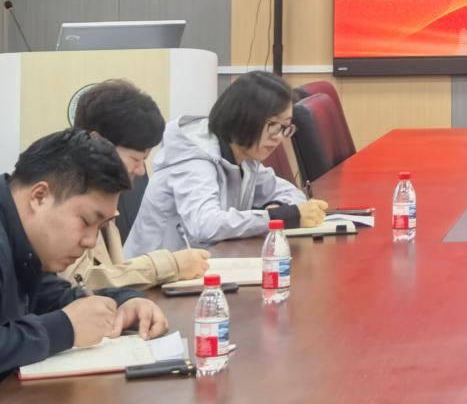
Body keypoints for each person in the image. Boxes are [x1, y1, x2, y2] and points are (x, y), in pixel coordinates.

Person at [2, 130, 169, 378]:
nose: (91, 242)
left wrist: (124, 302)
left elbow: (52, 297)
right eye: (86, 221)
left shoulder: (25, 245)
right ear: (40, 196)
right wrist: (64, 328)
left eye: (99, 228)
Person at [124, 71, 327, 255]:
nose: (279, 137)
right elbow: (205, 225)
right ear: (243, 118)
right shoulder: (195, 160)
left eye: (285, 127)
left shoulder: (245, 157)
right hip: (156, 276)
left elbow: (293, 195)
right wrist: (274, 216)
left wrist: (277, 208)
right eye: (272, 124)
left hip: (205, 265)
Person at [59, 80, 210, 289]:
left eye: (144, 160)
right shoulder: (64, 194)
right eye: (135, 159)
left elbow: (113, 277)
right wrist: (169, 265)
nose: (140, 171)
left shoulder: (104, 192)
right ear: (97, 142)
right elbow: (78, 283)